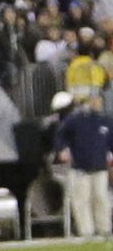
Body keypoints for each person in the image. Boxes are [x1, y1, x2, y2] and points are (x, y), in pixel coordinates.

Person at [54, 90, 112, 239]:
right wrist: (62, 149)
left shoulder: (105, 121)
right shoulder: (76, 120)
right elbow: (61, 135)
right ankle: (86, 231)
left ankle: (104, 229)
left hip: (100, 166)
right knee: (82, 199)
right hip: (81, 167)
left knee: (101, 198)